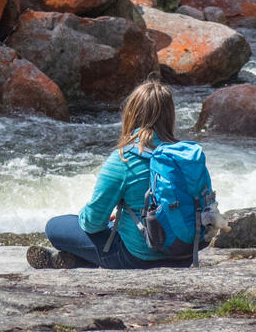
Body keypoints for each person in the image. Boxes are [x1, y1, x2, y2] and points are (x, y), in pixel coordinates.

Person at [27, 79, 207, 269]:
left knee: (55, 226)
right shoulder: (188, 156)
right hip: (186, 253)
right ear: (170, 116)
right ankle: (78, 260)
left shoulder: (124, 159)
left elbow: (92, 224)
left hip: (138, 257)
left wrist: (97, 217)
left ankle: (78, 259)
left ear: (132, 114)